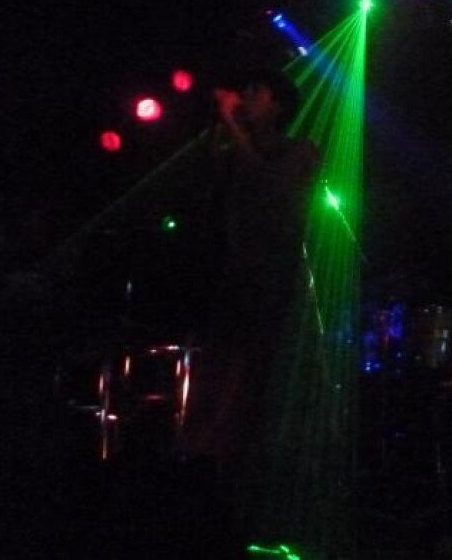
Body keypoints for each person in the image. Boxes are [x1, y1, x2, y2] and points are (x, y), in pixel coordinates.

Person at [184, 66, 319, 550]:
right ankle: (207, 510)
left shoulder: (301, 150)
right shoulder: (231, 150)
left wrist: (234, 128)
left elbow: (272, 191)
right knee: (215, 396)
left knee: (253, 400)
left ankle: (256, 517)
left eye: (255, 92)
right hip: (233, 288)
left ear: (277, 105)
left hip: (273, 292)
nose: (245, 98)